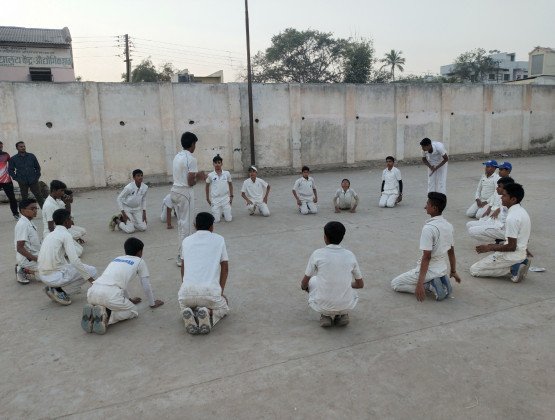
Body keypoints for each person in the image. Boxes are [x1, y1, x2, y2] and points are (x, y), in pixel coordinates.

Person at [83, 237, 164, 335]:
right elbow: (146, 285)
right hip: (110, 296)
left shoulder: (117, 258)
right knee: (133, 311)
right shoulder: (139, 261)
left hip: (92, 292)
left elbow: (121, 283)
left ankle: (93, 315)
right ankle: (107, 316)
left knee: (113, 297)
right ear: (140, 252)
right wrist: (152, 303)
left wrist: (129, 299)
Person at [391, 192, 461, 301]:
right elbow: (451, 251)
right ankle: (438, 280)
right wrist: (453, 271)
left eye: (427, 204)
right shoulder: (448, 225)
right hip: (442, 268)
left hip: (430, 270)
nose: (425, 207)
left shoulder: (429, 228)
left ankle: (429, 285)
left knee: (395, 283)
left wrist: (420, 284)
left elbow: (427, 257)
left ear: (434, 208)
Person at [301, 221, 364, 327]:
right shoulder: (350, 255)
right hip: (347, 305)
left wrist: (305, 288)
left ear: (325, 237)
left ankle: (325, 316)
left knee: (314, 280)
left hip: (323, 306)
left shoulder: (317, 254)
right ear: (342, 237)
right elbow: (360, 284)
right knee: (347, 286)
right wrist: (344, 284)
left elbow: (304, 283)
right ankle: (342, 314)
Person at [178, 212, 229, 335]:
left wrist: (186, 285)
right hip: (209, 292)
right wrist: (220, 292)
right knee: (224, 306)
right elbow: (225, 268)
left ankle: (191, 311)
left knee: (185, 305)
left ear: (195, 225)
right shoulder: (219, 239)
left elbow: (183, 267)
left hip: (186, 293)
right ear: (212, 227)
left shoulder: (186, 241)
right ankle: (208, 311)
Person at [470, 183, 531, 283]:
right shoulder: (521, 211)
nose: (501, 197)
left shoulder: (512, 218)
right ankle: (520, 262)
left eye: (504, 195)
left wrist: (489, 247)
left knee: (475, 270)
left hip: (512, 255)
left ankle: (513, 268)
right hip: (520, 252)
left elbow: (511, 247)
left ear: (513, 199)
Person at [37, 209, 97, 306]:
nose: (72, 221)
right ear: (66, 221)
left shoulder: (50, 235)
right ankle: (58, 291)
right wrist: (91, 280)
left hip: (43, 275)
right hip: (54, 277)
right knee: (92, 271)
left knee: (73, 267)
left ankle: (54, 287)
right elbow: (74, 261)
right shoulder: (65, 235)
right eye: (70, 219)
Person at [171, 132, 206, 266]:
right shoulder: (191, 159)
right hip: (185, 193)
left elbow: (183, 174)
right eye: (195, 143)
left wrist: (196, 175)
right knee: (188, 226)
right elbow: (190, 181)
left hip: (174, 191)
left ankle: (181, 254)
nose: (195, 146)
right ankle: (183, 257)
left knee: (181, 225)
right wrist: (200, 177)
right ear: (192, 144)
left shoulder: (177, 156)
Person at [42, 180, 86, 256]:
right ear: (54, 190)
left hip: (61, 229)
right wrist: (60, 241)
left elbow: (67, 215)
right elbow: (50, 227)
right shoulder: (49, 205)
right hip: (53, 233)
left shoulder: (57, 200)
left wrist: (68, 202)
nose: (63, 193)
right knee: (78, 252)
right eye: (61, 191)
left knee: (81, 233)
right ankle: (52, 247)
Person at [467, 177, 514, 243]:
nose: (496, 188)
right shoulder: (502, 198)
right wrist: (495, 209)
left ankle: (498, 241)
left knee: (472, 230)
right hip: (495, 222)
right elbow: (496, 203)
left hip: (502, 228)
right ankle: (498, 240)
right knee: (469, 224)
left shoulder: (510, 202)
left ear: (506, 189)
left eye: (499, 186)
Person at [8, 141, 44, 208]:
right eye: (21, 147)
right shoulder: (13, 159)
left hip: (33, 180)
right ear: (17, 148)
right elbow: (10, 170)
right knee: (24, 197)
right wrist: (16, 178)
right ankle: (25, 211)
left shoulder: (31, 156)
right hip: (22, 181)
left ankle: (45, 210)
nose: (23, 148)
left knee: (39, 196)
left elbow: (37, 167)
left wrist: (37, 176)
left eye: (24, 146)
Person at [111, 169, 148, 234]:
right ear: (134, 178)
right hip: (127, 208)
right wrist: (123, 212)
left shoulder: (145, 187)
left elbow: (144, 199)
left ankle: (130, 222)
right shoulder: (129, 187)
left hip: (137, 209)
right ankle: (117, 220)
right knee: (130, 230)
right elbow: (119, 198)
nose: (140, 177)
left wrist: (144, 212)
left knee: (143, 228)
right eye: (138, 176)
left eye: (141, 175)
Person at [14, 198, 41, 284]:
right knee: (49, 275)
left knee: (55, 266)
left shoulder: (29, 221)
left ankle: (28, 268)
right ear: (23, 211)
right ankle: (23, 269)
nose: (35, 211)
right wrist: (36, 259)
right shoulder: (23, 225)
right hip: (28, 259)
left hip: (34, 254)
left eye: (36, 208)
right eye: (32, 209)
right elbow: (20, 248)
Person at [205, 154, 233, 223]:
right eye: (215, 163)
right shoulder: (210, 175)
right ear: (213, 164)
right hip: (215, 199)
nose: (217, 164)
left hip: (225, 198)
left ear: (221, 164)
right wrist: (207, 198)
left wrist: (231, 196)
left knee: (228, 219)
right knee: (216, 220)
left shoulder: (227, 173)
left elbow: (230, 185)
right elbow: (207, 186)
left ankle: (225, 212)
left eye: (219, 162)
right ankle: (216, 211)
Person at [0, 140, 20, 220]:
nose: (1, 147)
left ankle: (16, 214)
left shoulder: (6, 155)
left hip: (6, 180)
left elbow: (12, 163)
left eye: (1, 146)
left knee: (12, 198)